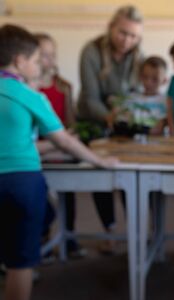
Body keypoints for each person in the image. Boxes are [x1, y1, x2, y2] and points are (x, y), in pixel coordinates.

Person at [0, 24, 117, 300]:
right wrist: (100, 161)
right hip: (21, 183)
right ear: (20, 61)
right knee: (20, 265)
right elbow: (63, 140)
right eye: (36, 60)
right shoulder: (29, 95)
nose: (40, 65)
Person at [77, 5, 143, 253]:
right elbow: (91, 97)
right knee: (101, 177)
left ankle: (136, 229)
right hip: (95, 119)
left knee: (130, 173)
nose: (127, 40)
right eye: (123, 33)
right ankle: (109, 231)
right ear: (111, 27)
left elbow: (136, 93)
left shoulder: (139, 55)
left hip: (122, 121)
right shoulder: (90, 51)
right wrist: (113, 116)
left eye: (134, 36)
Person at [34, 32, 86, 259]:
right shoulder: (29, 90)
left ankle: (70, 235)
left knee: (69, 192)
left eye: (51, 55)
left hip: (61, 149)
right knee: (40, 197)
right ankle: (43, 238)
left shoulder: (63, 87)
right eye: (43, 55)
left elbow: (70, 122)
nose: (48, 60)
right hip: (39, 152)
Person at [110, 55, 168, 136]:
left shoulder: (166, 101)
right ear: (140, 76)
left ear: (165, 81)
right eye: (145, 77)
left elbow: (162, 126)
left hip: (156, 143)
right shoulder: (131, 98)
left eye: (155, 79)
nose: (148, 82)